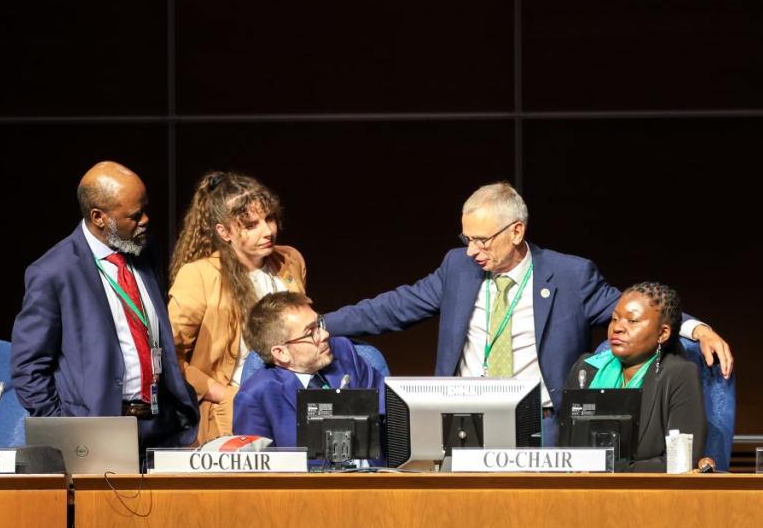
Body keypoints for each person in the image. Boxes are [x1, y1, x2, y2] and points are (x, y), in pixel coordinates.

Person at [324, 181, 732, 444]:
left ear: (516, 231)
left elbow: (632, 308)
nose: (472, 251)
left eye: (482, 240)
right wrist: (320, 325)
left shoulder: (570, 275)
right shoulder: (458, 268)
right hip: (464, 417)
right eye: (467, 238)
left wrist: (696, 329)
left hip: (544, 420)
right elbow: (394, 306)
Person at [10, 161, 199, 451]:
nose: (146, 220)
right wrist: (63, 429)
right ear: (99, 217)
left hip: (161, 427)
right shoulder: (54, 272)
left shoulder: (146, 249)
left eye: (145, 209)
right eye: (135, 215)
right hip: (95, 433)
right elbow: (29, 367)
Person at [168, 171, 307, 444]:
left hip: (291, 398)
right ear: (225, 232)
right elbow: (168, 355)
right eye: (251, 224)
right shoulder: (200, 275)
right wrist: (222, 393)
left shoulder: (290, 260)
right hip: (236, 405)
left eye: (269, 218)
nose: (268, 231)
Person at [564, 282, 706, 472]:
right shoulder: (585, 369)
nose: (617, 328)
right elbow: (566, 451)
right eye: (614, 319)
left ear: (663, 333)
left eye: (632, 321)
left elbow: (680, 462)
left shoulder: (679, 374)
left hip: (646, 495)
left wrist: (607, 469)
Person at [233, 291, 384, 448]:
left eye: (319, 324)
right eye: (311, 332)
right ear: (281, 353)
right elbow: (259, 470)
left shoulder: (345, 353)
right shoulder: (255, 397)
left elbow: (386, 410)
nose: (325, 334)